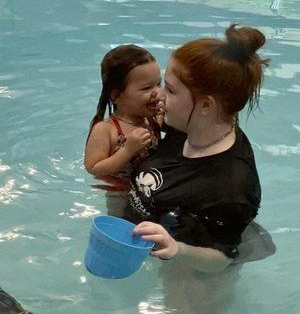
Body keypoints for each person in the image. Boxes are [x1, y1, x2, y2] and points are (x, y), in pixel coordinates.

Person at [124, 24, 270, 273]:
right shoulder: (186, 125)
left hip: (192, 275)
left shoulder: (230, 189)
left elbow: (224, 257)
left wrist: (176, 249)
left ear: (205, 105)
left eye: (170, 90)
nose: (159, 96)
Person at [84, 44, 163, 216]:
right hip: (120, 192)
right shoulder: (106, 130)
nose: (157, 92)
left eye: (159, 84)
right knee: (124, 223)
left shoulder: (153, 118)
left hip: (151, 186)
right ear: (116, 95)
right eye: (146, 88)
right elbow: (93, 167)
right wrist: (127, 150)